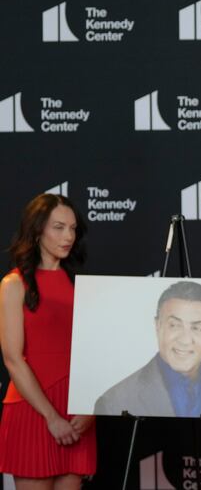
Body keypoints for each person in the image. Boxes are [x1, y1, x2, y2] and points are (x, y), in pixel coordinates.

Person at [0, 194, 96, 489]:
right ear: (37, 229)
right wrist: (52, 417)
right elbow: (13, 359)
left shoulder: (82, 286)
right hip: (34, 411)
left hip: (78, 413)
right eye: (58, 227)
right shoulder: (14, 284)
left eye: (73, 228)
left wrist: (90, 409)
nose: (68, 236)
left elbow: (96, 355)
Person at [94, 281, 201, 418]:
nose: (185, 340)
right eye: (174, 325)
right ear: (157, 326)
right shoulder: (114, 402)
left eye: (197, 328)